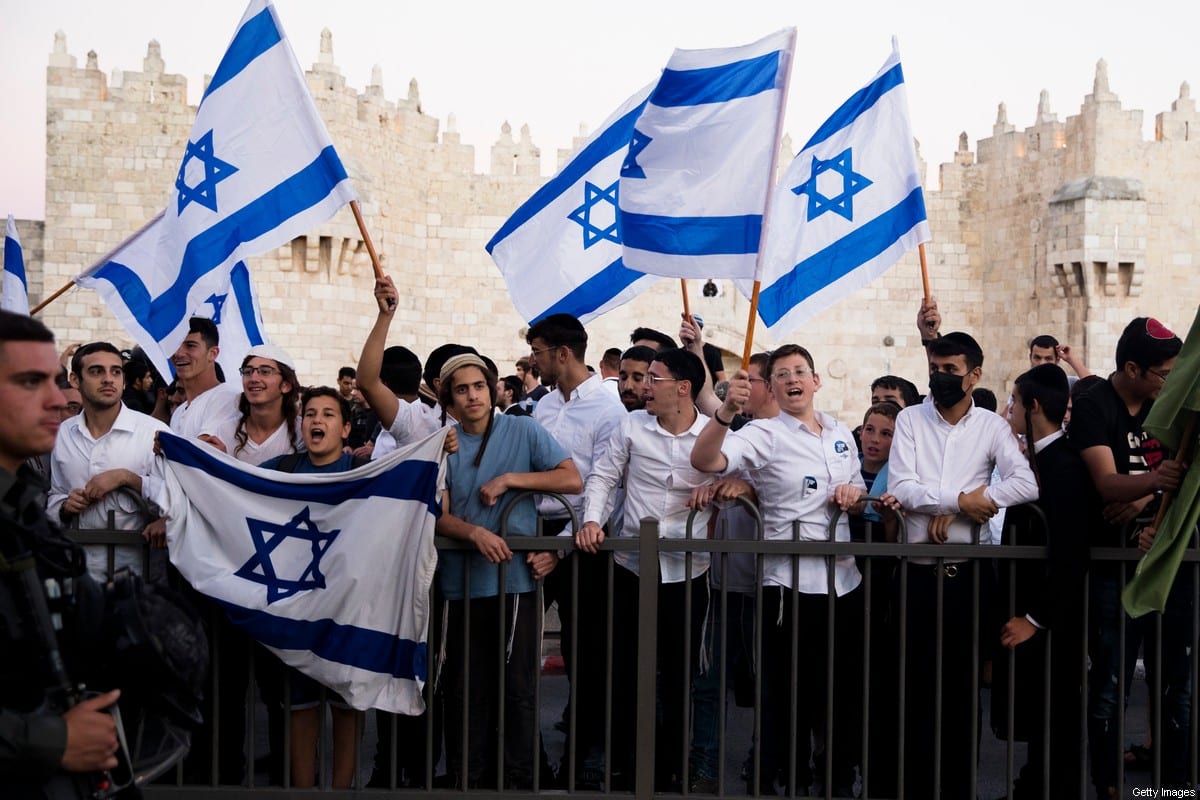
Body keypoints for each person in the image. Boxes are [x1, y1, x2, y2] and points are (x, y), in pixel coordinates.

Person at [691, 344, 867, 796]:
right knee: (788, 694)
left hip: (843, 582)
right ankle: (785, 776)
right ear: (771, 387)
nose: (793, 380)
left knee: (839, 691)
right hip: (787, 587)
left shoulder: (841, 431)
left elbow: (860, 486)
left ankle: (838, 775)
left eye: (800, 371)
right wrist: (726, 412)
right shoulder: (765, 435)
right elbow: (706, 461)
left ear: (815, 380)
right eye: (782, 374)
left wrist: (852, 492)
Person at [879, 330, 1038, 798]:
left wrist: (974, 502)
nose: (941, 378)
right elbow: (904, 486)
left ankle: (956, 787)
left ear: (974, 375)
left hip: (967, 577)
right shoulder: (909, 419)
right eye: (935, 369)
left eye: (951, 370)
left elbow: (1025, 482)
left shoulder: (990, 426)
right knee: (910, 688)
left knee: (963, 692)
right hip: (915, 576)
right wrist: (955, 499)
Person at [435, 352, 581, 789]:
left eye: (478, 386)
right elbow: (436, 513)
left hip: (514, 581)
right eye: (461, 389)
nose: (472, 395)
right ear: (450, 399)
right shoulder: (443, 442)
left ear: (493, 388)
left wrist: (512, 479)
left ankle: (521, 777)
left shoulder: (523, 429)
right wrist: (474, 534)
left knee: (518, 687)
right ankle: (469, 776)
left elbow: (570, 479)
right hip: (460, 581)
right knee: (463, 688)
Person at [577, 348, 714, 791]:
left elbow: (744, 472)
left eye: (653, 378)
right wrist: (593, 520)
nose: (642, 387)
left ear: (683, 388)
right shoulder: (630, 425)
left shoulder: (713, 436)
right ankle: (623, 766)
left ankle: (672, 769)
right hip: (630, 566)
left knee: (679, 674)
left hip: (687, 572)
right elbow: (603, 476)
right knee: (624, 669)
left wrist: (719, 486)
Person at [0, 310, 124, 796]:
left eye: (55, 380)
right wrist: (52, 740)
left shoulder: (25, 507)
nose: (57, 401)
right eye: (31, 382)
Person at [1066, 316, 1189, 796]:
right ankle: (1111, 789)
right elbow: (1106, 484)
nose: (1171, 383)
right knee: (1111, 686)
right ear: (1133, 369)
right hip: (1112, 570)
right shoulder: (1095, 403)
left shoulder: (1174, 404)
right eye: (1164, 374)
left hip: (1169, 565)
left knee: (1176, 685)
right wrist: (1157, 483)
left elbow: (1183, 479)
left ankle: (1174, 788)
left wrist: (1145, 499)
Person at [526, 312, 626, 787]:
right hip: (533, 535)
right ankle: (529, 761)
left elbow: (604, 489)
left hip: (583, 544)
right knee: (519, 648)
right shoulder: (542, 407)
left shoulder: (609, 411)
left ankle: (582, 760)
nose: (533, 361)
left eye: (538, 352)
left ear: (562, 354)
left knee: (585, 656)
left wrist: (562, 548)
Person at [993, 363, 1095, 798]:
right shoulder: (1041, 460)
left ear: (1033, 406)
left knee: (1057, 717)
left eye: (1014, 401)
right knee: (1039, 714)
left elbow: (1072, 555)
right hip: (1037, 612)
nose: (1010, 409)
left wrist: (1035, 619)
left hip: (1053, 621)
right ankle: (1033, 785)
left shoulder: (1064, 467)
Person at [259, 387, 364, 789]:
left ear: (346, 428)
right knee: (299, 706)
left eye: (328, 414)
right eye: (310, 414)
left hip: (347, 610)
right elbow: (227, 483)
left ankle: (340, 792)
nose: (317, 421)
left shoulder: (362, 471)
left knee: (347, 706)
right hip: (295, 610)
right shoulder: (281, 467)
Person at [47, 341, 169, 582]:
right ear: (74, 380)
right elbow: (54, 494)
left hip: (138, 579)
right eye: (96, 371)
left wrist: (128, 479)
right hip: (76, 575)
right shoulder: (61, 434)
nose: (108, 379)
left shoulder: (154, 433)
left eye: (115, 371)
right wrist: (63, 506)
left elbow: (179, 499)